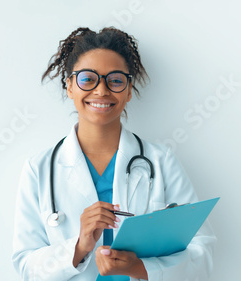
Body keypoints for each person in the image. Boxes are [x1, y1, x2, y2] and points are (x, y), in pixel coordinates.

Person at [11, 27, 216, 281]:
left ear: (128, 90)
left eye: (115, 80)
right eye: (88, 79)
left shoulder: (161, 162)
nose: (101, 91)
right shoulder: (39, 169)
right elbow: (26, 266)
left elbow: (203, 253)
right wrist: (79, 246)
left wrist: (139, 269)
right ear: (70, 87)